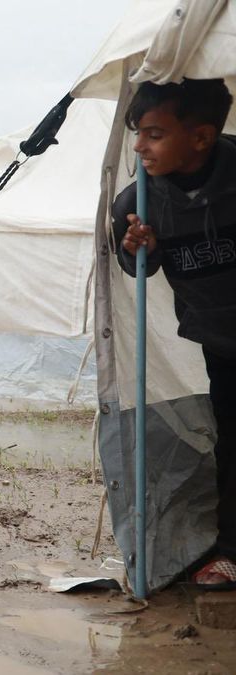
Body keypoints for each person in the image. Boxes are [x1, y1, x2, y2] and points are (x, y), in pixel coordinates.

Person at [113, 78, 236, 588]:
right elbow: (136, 268)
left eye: (155, 134)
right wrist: (139, 249)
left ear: (201, 137)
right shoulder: (138, 201)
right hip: (221, 339)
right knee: (233, 441)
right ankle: (232, 552)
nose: (139, 147)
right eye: (138, 134)